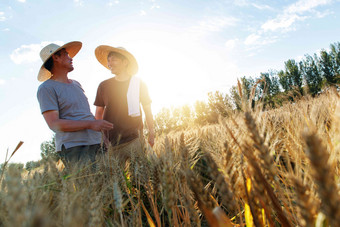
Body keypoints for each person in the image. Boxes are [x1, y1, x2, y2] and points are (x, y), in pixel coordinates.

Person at [36, 41, 113, 169]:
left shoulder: (76, 84)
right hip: (75, 148)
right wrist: (90, 124)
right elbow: (54, 124)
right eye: (66, 54)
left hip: (96, 143)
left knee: (109, 185)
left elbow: (86, 114)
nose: (70, 58)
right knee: (90, 188)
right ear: (56, 58)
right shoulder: (46, 88)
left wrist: (103, 137)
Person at [94, 45, 154, 162]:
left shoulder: (139, 83)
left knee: (141, 177)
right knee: (116, 180)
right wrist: (103, 138)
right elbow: (98, 116)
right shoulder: (103, 86)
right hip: (112, 144)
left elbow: (148, 110)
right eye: (108, 60)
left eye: (114, 60)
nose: (110, 63)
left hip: (135, 139)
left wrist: (151, 132)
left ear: (125, 62)